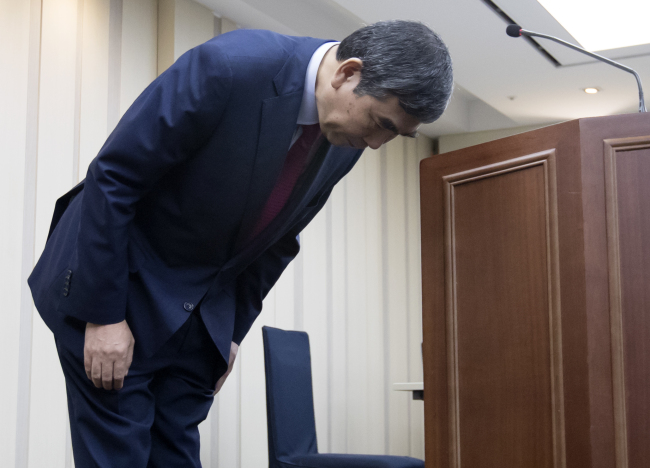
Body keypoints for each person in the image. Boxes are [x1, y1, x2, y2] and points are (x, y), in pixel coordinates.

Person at [28, 19, 453, 467]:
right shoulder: (232, 67)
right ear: (348, 73)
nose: (376, 143)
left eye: (394, 135)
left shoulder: (344, 140)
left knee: (176, 456)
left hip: (200, 320)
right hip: (119, 293)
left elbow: (278, 240)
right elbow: (114, 179)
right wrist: (103, 317)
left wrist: (229, 336)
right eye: (379, 123)